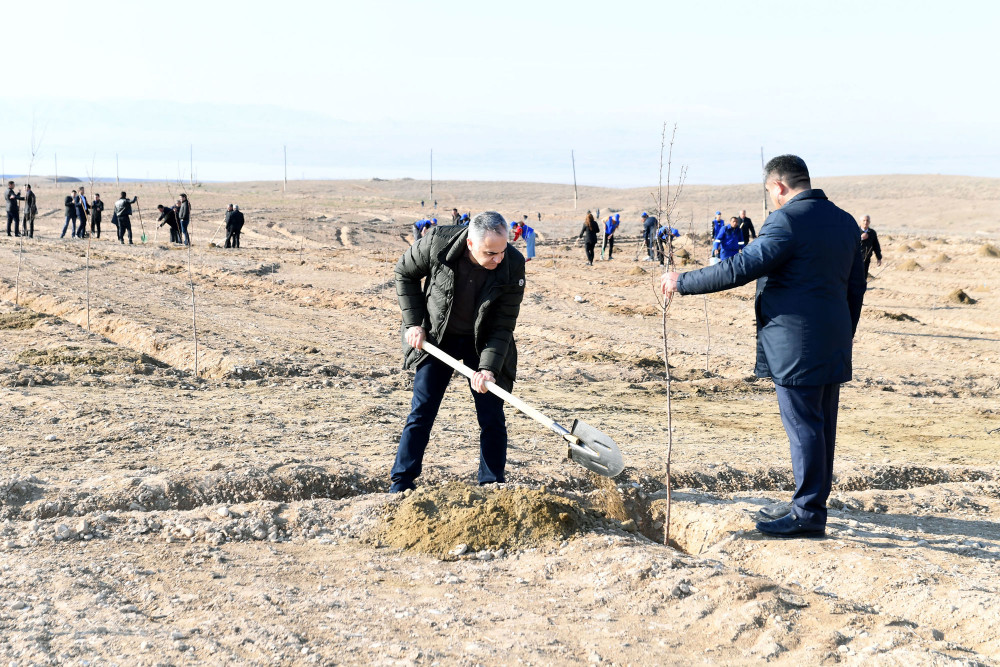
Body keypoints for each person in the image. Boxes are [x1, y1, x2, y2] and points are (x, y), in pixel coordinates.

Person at [662, 155, 866, 538]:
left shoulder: (787, 220)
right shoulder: (844, 220)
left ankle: (807, 516)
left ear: (778, 187)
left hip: (796, 347)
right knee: (822, 428)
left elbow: (739, 268)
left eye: (769, 192)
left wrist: (682, 281)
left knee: (805, 428)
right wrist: (843, 332)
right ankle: (811, 506)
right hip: (833, 340)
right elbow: (857, 287)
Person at [390, 211, 526, 492]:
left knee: (491, 414)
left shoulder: (512, 263)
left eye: (502, 251)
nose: (498, 259)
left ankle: (492, 483)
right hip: (438, 337)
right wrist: (414, 323)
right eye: (491, 253)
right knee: (422, 410)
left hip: (484, 341)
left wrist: (488, 368)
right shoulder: (438, 242)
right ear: (470, 243)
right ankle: (401, 482)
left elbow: (502, 325)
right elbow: (404, 272)